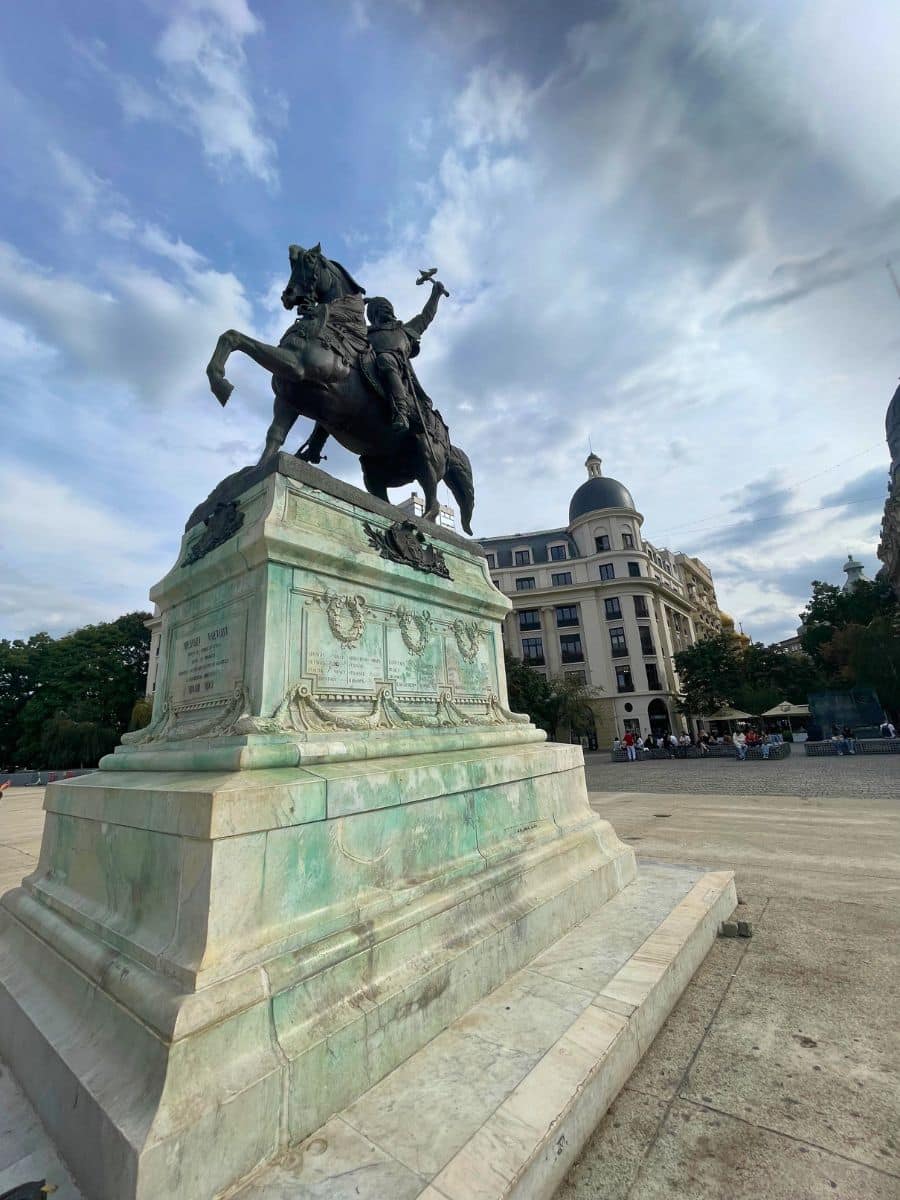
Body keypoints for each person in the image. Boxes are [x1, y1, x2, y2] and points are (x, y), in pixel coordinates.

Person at [365, 279, 447, 433]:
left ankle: (401, 411)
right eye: (382, 308)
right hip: (370, 364)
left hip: (397, 369)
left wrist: (435, 295)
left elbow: (426, 316)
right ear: (374, 314)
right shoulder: (366, 333)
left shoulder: (405, 330)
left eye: (389, 308)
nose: (387, 310)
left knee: (385, 359)